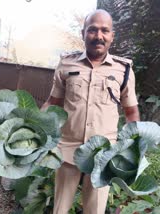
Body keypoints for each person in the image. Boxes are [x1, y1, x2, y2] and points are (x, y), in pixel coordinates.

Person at [41, 9, 140, 214]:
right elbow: (53, 103)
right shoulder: (67, 64)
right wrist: (37, 128)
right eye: (93, 30)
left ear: (112, 35)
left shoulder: (124, 70)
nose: (99, 36)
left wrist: (132, 148)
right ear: (83, 33)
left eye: (105, 30)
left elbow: (131, 112)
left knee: (94, 210)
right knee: (60, 208)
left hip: (103, 156)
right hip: (68, 151)